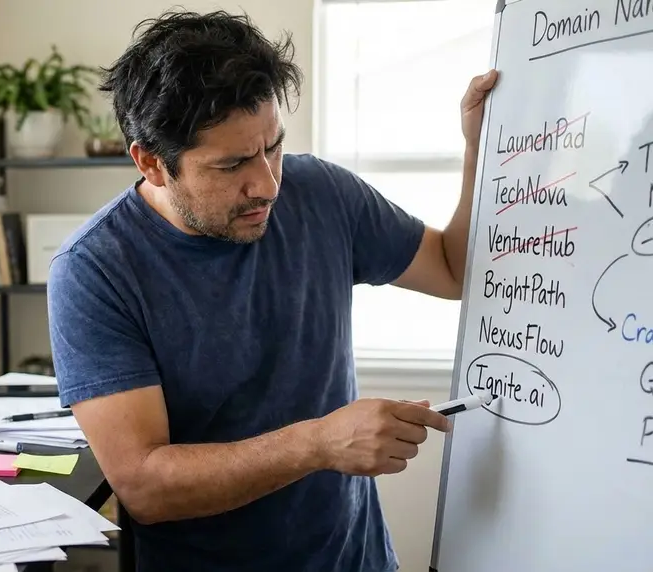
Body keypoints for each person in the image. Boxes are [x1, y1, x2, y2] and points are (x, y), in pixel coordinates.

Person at [46, 9, 498, 572]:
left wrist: (485, 150)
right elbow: (145, 487)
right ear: (151, 163)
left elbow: (454, 269)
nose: (266, 183)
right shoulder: (95, 271)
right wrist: (319, 444)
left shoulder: (323, 192)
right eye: (232, 164)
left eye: (273, 146)